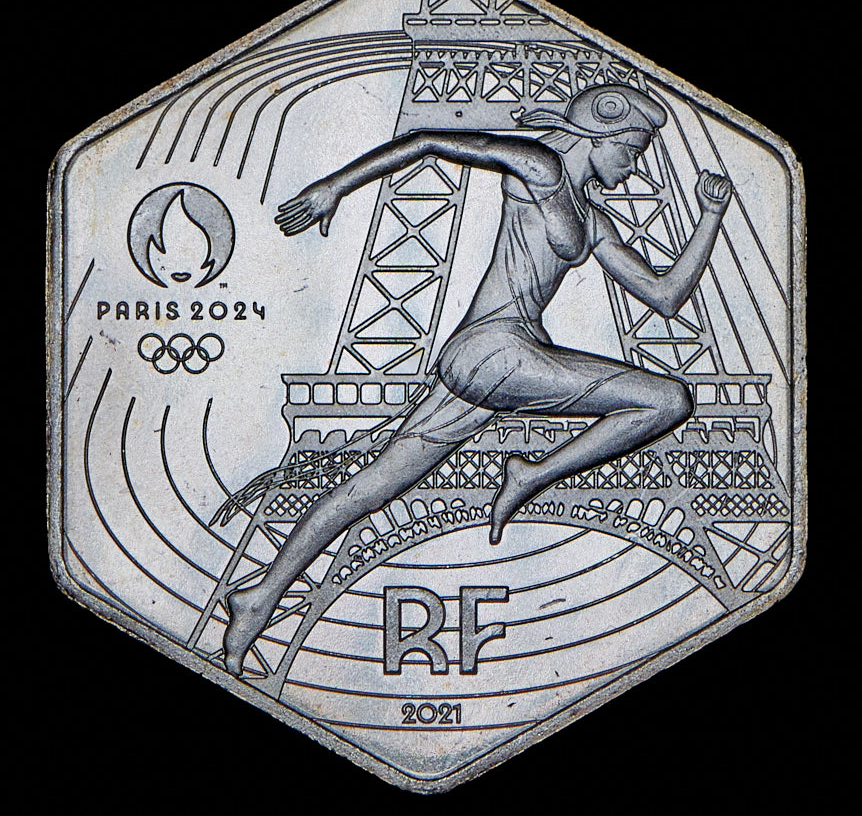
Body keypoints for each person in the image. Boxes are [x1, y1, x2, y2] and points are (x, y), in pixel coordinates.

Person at [223, 83, 732, 676]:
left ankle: (258, 598)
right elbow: (428, 140)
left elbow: (666, 297)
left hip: (493, 362)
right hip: (497, 353)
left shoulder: (593, 221)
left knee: (370, 488)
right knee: (667, 399)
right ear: (600, 134)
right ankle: (531, 475)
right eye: (632, 149)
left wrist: (710, 217)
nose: (634, 165)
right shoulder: (540, 167)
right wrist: (334, 186)